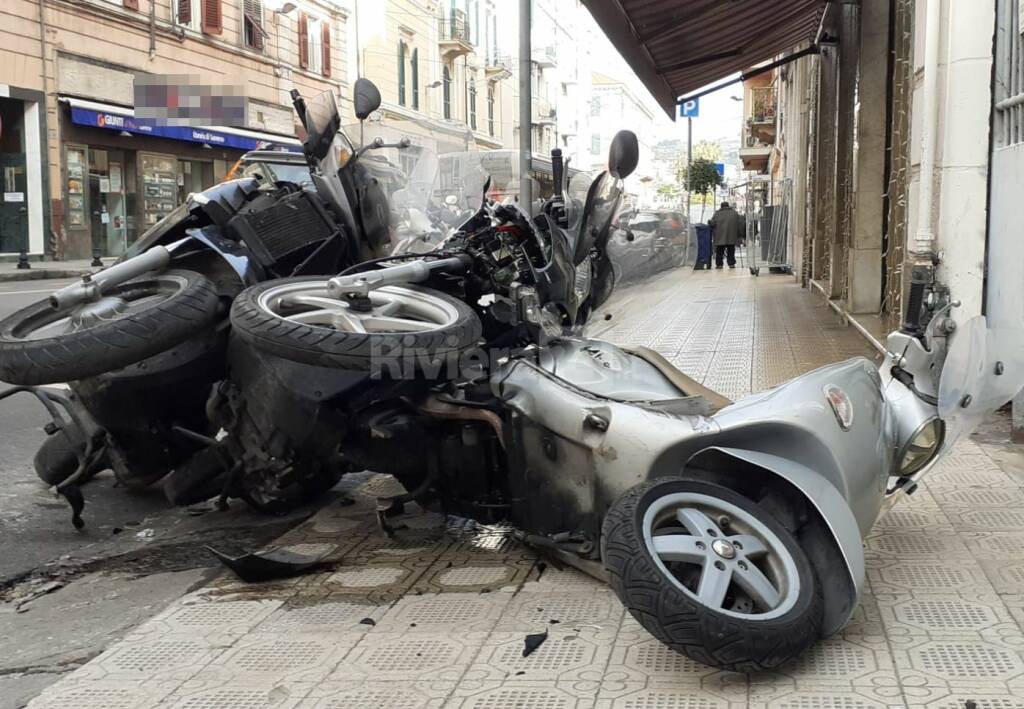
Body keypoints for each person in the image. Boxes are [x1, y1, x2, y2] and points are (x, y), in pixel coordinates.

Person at [708, 201, 743, 269]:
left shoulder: (717, 214)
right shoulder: (734, 213)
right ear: (728, 205)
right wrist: (739, 234)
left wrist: (709, 222)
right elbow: (739, 224)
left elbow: (713, 223)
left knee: (720, 251)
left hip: (720, 236)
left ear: (721, 206)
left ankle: (719, 264)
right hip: (731, 236)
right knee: (731, 250)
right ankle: (731, 263)